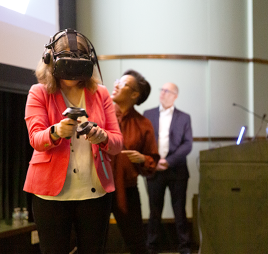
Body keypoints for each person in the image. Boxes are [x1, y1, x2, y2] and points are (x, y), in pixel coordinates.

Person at [24, 29, 123, 254]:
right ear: (50, 62)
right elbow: (36, 139)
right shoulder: (38, 92)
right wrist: (56, 131)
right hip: (50, 193)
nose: (73, 73)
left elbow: (117, 143)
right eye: (68, 64)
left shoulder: (101, 93)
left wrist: (102, 136)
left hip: (95, 192)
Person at [108, 69, 160, 254]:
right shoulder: (100, 114)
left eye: (123, 84)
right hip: (96, 188)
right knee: (91, 244)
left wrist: (142, 158)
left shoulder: (143, 124)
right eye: (117, 81)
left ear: (135, 94)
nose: (116, 85)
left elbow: (152, 160)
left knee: (137, 244)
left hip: (127, 190)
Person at [144, 82, 193, 254]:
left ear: (175, 95)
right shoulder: (148, 114)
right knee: (154, 212)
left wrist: (169, 161)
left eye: (167, 91)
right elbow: (144, 142)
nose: (162, 93)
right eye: (162, 90)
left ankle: (185, 247)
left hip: (177, 171)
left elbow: (187, 145)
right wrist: (154, 162)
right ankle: (151, 247)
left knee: (180, 212)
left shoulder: (184, 117)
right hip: (154, 171)